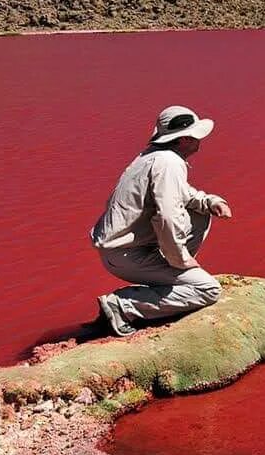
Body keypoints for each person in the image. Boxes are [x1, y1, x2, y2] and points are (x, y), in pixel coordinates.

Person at [90, 105, 232, 336]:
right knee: (208, 290)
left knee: (200, 211)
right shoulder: (169, 163)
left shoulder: (154, 156)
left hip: (123, 251)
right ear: (184, 139)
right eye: (196, 136)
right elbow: (168, 216)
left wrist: (209, 201)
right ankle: (122, 306)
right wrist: (181, 259)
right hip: (128, 255)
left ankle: (173, 275)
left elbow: (181, 193)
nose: (200, 141)